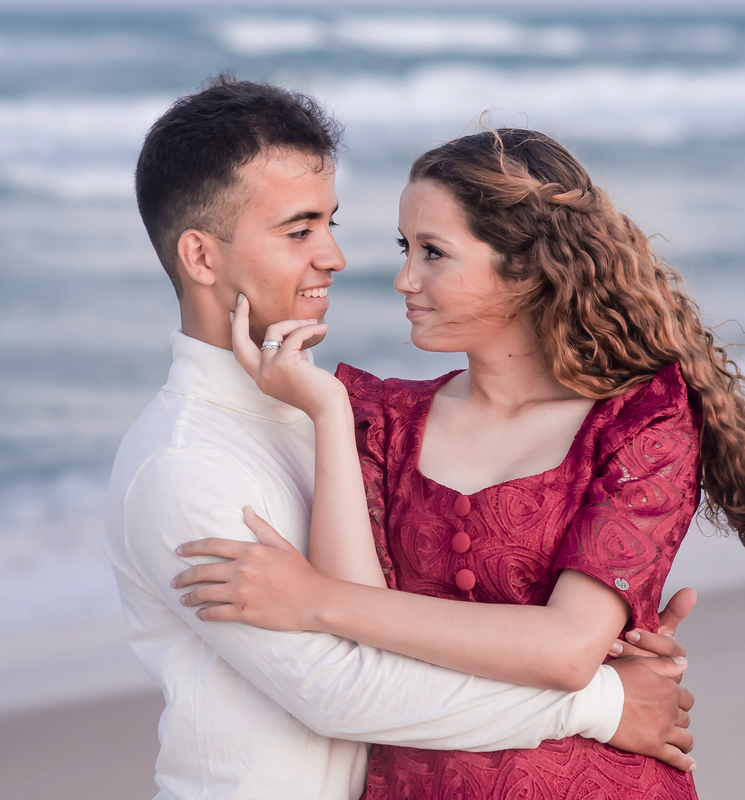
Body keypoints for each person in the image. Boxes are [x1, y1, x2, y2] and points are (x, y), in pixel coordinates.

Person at [173, 128, 745, 798]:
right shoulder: (375, 421)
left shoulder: (640, 421)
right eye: (403, 247)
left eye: (433, 253)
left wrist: (312, 599)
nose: (403, 279)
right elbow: (366, 655)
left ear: (529, 266)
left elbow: (567, 648)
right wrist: (325, 413)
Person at [106, 78, 697, 800]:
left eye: (332, 224)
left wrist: (613, 632)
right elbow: (342, 687)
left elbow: (400, 612)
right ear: (201, 258)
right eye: (299, 231)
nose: (336, 259)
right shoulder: (185, 465)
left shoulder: (326, 414)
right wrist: (606, 702)